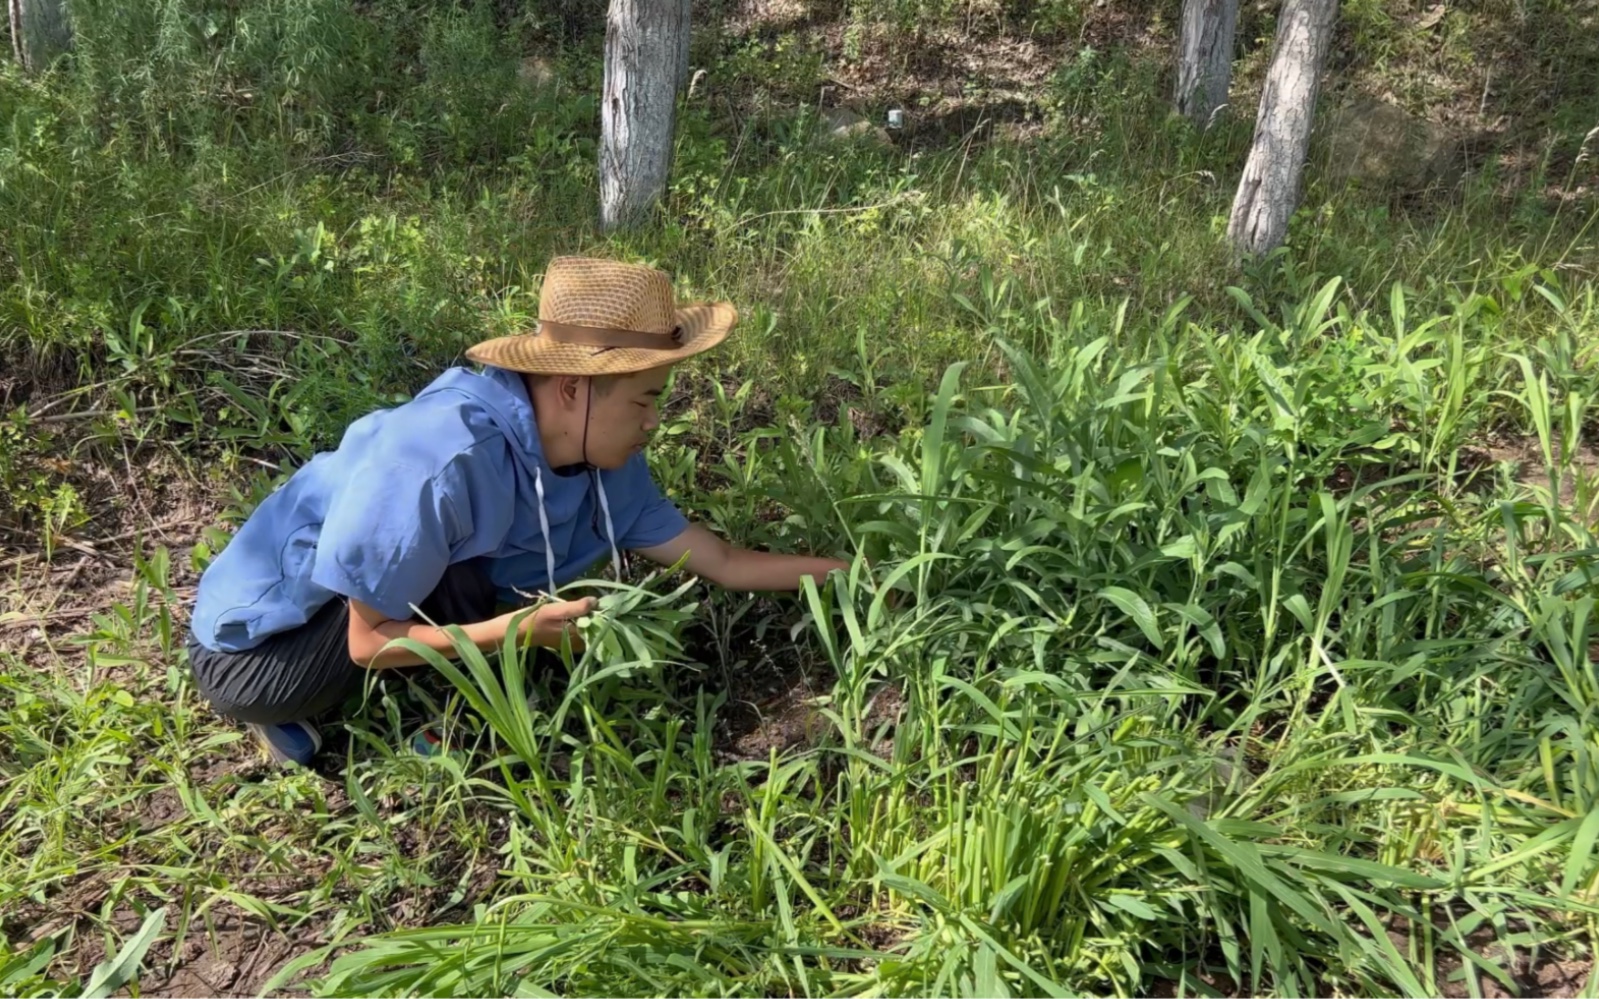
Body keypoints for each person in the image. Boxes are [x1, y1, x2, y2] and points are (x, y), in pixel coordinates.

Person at [184, 255, 849, 765]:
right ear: (572, 390)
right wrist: (522, 629)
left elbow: (723, 562)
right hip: (260, 646)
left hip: (390, 603)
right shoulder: (439, 459)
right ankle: (305, 713)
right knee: (438, 596)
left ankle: (437, 696)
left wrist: (850, 571)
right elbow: (366, 641)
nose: (655, 421)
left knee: (480, 575)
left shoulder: (604, 461)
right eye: (645, 400)